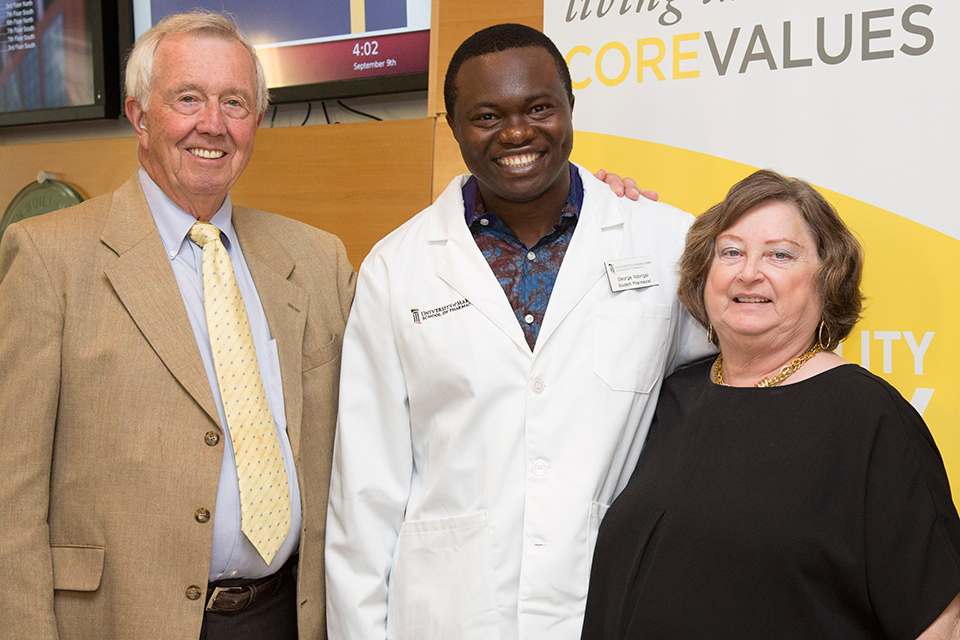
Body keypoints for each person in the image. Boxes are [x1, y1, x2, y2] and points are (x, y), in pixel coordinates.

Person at [324, 23, 714, 640]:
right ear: (454, 128)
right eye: (486, 115)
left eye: (539, 108)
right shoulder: (397, 267)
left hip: (612, 598)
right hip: (449, 611)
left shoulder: (665, 241)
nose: (516, 133)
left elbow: (734, 394)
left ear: (570, 110)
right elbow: (366, 488)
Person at [0, 11, 355, 640]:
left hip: (289, 616)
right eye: (187, 98)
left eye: (235, 102)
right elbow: (10, 496)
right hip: (120, 621)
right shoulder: (47, 258)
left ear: (258, 121)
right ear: (139, 115)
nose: (212, 124)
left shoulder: (318, 260)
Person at [581, 169, 960, 639]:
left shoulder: (867, 418)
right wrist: (591, 203)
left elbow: (939, 622)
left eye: (780, 254)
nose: (748, 271)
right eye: (731, 252)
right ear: (705, 273)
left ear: (828, 278)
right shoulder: (668, 397)